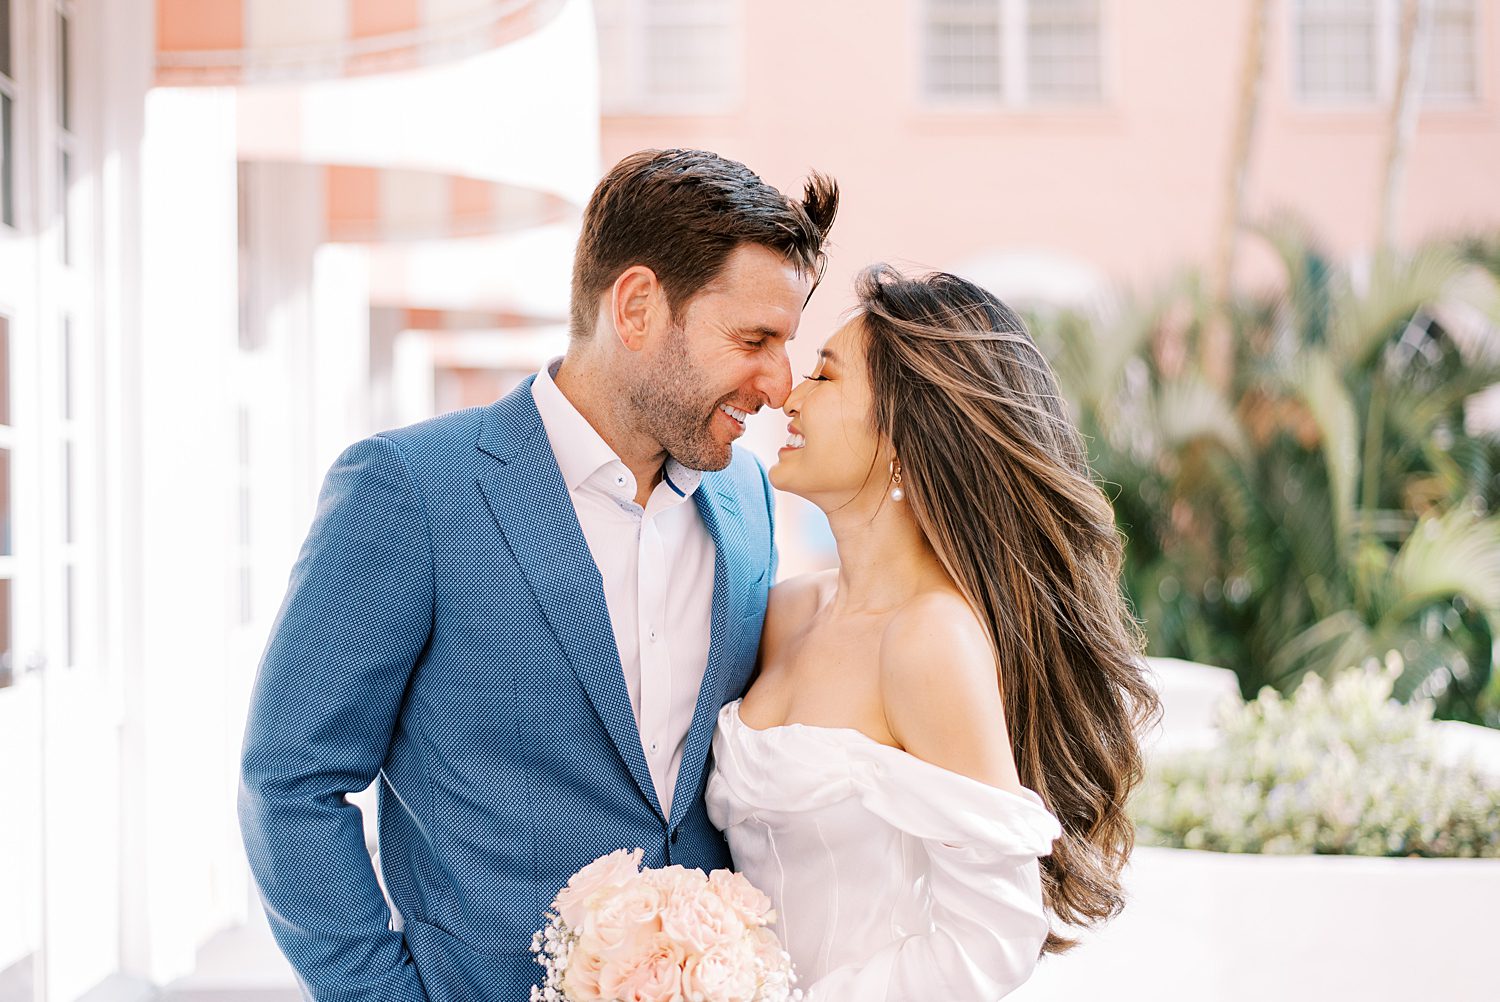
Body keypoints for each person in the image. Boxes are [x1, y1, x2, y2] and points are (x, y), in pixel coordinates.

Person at [238, 149, 838, 1002]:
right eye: (754, 340)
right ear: (635, 307)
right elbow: (290, 781)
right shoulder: (411, 490)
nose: (779, 384)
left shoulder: (747, 502)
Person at [706, 264, 1159, 1000]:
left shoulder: (929, 640)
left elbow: (989, 941)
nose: (788, 396)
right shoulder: (787, 612)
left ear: (902, 438)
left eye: (825, 377)